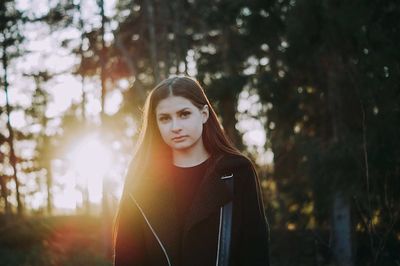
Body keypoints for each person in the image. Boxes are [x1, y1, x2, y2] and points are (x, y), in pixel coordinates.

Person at [113, 76, 270, 266]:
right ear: (156, 124)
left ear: (204, 114)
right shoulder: (141, 178)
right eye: (165, 119)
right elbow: (127, 256)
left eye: (184, 114)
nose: (176, 127)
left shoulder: (237, 171)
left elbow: (254, 251)